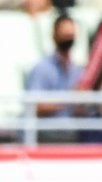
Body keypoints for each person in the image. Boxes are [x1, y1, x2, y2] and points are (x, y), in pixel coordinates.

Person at [26, 15, 86, 144]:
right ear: (54, 36)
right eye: (64, 35)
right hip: (48, 135)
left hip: (72, 134)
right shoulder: (42, 69)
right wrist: (68, 99)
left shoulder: (77, 71)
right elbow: (35, 107)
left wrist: (81, 101)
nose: (68, 39)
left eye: (71, 35)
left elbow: (78, 110)